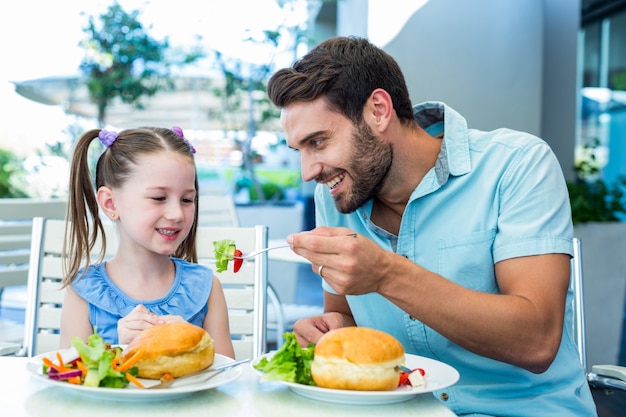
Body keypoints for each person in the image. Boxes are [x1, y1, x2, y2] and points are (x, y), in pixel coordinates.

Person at [267, 36, 597, 416]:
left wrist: (387, 274)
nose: (308, 172)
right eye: (300, 151)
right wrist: (330, 329)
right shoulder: (335, 195)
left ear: (378, 110)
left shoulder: (518, 165)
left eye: (319, 142)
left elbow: (537, 342)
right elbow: (347, 317)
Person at [59, 126, 235, 359]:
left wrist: (192, 341)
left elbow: (227, 375)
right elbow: (72, 381)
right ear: (111, 204)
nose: (177, 214)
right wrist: (119, 351)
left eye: (187, 199)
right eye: (159, 198)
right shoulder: (83, 291)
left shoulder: (207, 287)